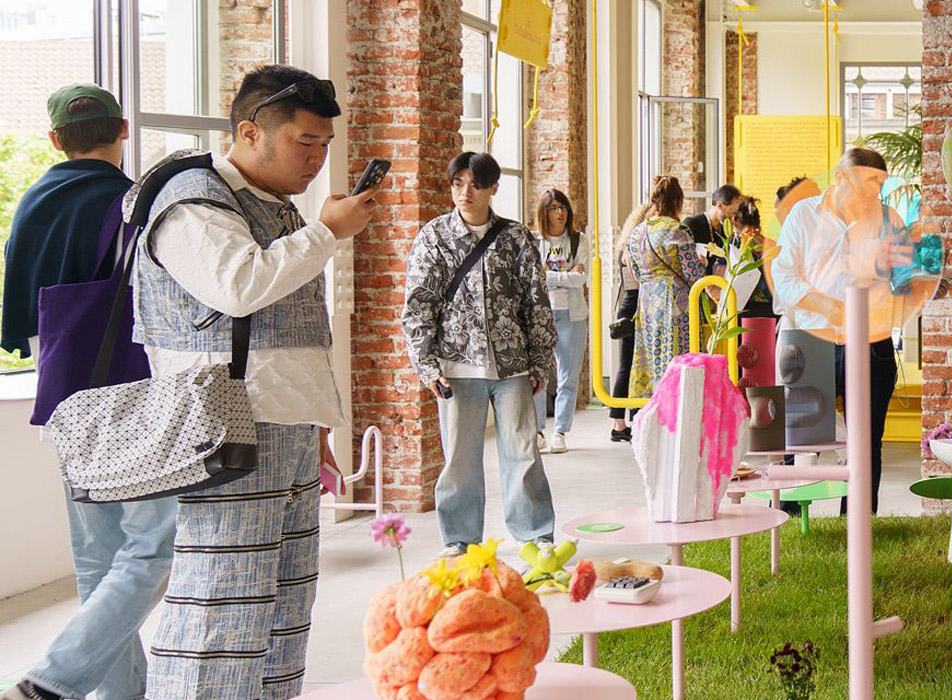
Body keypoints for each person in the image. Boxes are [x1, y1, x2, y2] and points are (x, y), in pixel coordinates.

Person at [128, 65, 375, 700]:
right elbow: (238, 287)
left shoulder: (272, 204)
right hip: (224, 431)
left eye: (325, 145)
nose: (317, 159)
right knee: (223, 599)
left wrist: (315, 424)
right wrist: (327, 231)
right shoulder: (190, 200)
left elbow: (289, 327)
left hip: (282, 425)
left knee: (284, 602)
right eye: (304, 142)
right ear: (249, 131)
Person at [0, 85, 177, 700]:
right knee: (153, 548)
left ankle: (119, 695)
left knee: (99, 557)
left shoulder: (31, 203)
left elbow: (18, 320)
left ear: (54, 139)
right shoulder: (137, 202)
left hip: (65, 396)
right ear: (122, 129)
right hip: (135, 393)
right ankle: (55, 677)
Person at [404, 152, 559, 555]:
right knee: (459, 459)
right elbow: (418, 306)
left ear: (493, 188)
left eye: (474, 184)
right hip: (456, 367)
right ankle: (459, 539)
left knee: (523, 453)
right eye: (458, 184)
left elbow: (537, 303)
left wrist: (540, 361)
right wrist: (427, 367)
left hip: (513, 365)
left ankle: (535, 535)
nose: (465, 193)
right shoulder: (434, 237)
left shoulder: (516, 238)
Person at [773, 149, 937, 513]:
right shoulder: (803, 215)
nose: (872, 197)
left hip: (870, 343)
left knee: (865, 442)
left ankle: (859, 520)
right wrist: (827, 306)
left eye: (879, 187)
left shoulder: (889, 219)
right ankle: (792, 522)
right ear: (841, 179)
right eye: (866, 187)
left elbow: (904, 280)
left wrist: (916, 272)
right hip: (811, 341)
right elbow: (783, 276)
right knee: (799, 442)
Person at [623, 176, 708, 401]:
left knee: (652, 361)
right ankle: (678, 410)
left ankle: (654, 409)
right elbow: (693, 274)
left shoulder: (638, 232)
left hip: (648, 304)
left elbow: (636, 272)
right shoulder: (678, 231)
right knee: (678, 362)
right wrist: (702, 262)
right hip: (676, 305)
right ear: (678, 201)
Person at [533, 188, 589, 454]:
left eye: (563, 207)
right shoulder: (535, 242)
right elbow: (533, 278)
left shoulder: (579, 241)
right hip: (541, 315)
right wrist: (566, 276)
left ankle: (560, 432)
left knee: (568, 376)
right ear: (544, 213)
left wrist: (550, 276)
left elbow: (581, 279)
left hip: (572, 315)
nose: (560, 213)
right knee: (538, 375)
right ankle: (537, 432)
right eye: (554, 208)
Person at [606, 197, 647, 443]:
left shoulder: (628, 245)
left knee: (632, 366)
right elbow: (640, 278)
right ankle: (618, 423)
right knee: (627, 366)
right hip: (633, 308)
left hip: (634, 306)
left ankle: (627, 420)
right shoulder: (631, 249)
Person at [686, 183, 742, 265]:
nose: (733, 215)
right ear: (719, 205)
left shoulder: (724, 231)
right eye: (732, 210)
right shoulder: (692, 224)